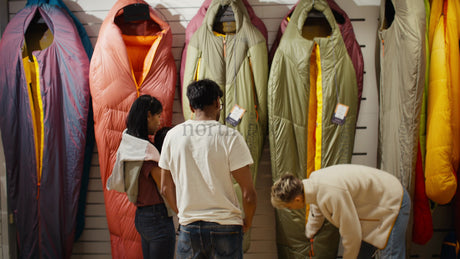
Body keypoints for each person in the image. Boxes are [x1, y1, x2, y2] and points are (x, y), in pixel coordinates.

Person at [159, 79, 257, 259]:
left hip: (189, 227)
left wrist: (183, 214)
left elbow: (165, 188)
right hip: (227, 226)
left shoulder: (172, 136)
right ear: (216, 103)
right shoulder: (230, 137)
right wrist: (247, 222)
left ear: (190, 105)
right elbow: (248, 193)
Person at [270, 164, 411, 259]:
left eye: (288, 207)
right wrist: (310, 232)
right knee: (361, 255)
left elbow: (352, 234)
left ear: (297, 199)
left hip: (392, 202)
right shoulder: (313, 183)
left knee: (391, 255)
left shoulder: (331, 193)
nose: (290, 210)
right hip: (377, 203)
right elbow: (316, 210)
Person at [111, 95, 175, 259]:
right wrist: (182, 213)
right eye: (158, 116)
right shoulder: (146, 151)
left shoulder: (129, 143)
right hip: (157, 218)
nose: (160, 121)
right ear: (148, 115)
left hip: (142, 216)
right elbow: (165, 186)